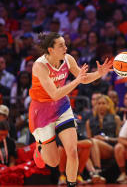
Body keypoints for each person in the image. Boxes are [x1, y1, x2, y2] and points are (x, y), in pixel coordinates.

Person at [28, 32, 113, 187]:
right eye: (61, 45)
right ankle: (40, 149)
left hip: (61, 106)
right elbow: (54, 94)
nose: (66, 47)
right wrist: (77, 81)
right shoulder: (39, 66)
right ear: (51, 50)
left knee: (72, 151)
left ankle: (72, 184)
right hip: (41, 110)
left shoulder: (68, 59)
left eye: (65, 44)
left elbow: (84, 78)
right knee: (53, 162)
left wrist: (99, 73)